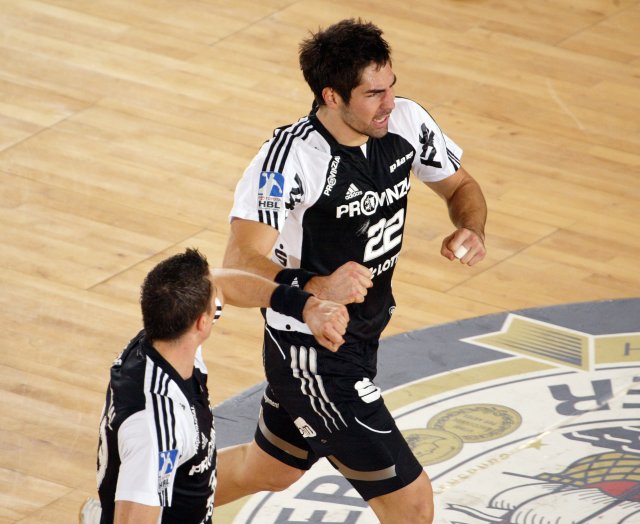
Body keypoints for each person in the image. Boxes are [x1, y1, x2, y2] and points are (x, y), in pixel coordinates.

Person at [217, 18, 487, 523]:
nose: (389, 103)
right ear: (332, 95)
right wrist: (316, 286)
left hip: (362, 338)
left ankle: (141, 506)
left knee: (269, 469)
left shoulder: (405, 123)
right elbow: (235, 272)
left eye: (391, 87)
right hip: (311, 351)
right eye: (373, 94)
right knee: (411, 504)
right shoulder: (288, 161)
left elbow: (461, 186)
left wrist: (469, 227)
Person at [83, 248, 348, 524]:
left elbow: (224, 284)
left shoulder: (164, 339)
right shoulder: (157, 426)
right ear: (203, 321)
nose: (219, 294)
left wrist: (304, 305)